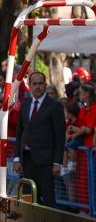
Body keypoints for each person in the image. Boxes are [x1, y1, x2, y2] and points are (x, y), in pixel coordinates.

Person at [12, 71, 66, 208]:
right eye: (34, 84)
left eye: (40, 84)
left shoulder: (54, 106)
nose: (37, 87)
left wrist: (57, 162)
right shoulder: (25, 104)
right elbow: (20, 133)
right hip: (26, 160)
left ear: (45, 85)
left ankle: (49, 218)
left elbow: (60, 136)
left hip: (46, 161)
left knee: (47, 199)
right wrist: (17, 158)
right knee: (28, 198)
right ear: (29, 85)